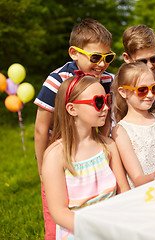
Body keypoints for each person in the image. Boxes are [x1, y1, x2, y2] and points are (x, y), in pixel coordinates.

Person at [33, 18, 116, 239]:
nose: (102, 64)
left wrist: (101, 145)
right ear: (74, 53)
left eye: (108, 58)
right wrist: (43, 169)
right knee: (56, 216)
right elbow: (42, 128)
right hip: (61, 155)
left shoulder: (107, 78)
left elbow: (107, 116)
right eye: (95, 57)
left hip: (91, 152)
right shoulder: (57, 79)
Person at [42, 71, 130, 239]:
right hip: (79, 232)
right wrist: (98, 230)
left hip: (114, 227)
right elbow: (59, 213)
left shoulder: (108, 146)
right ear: (72, 109)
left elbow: (123, 190)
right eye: (98, 102)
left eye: (106, 101)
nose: (105, 107)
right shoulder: (56, 156)